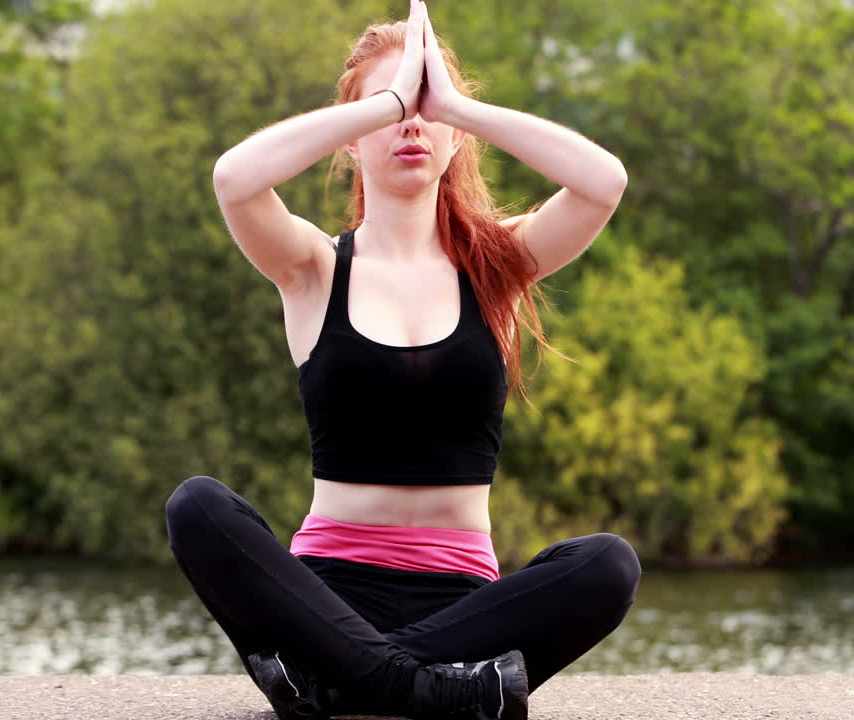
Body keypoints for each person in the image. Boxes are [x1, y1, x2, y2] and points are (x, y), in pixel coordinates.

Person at [163, 2, 639, 718]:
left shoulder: (497, 269)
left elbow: (603, 183)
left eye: (425, 109)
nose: (410, 123)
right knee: (196, 506)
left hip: (464, 608)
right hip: (322, 599)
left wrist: (454, 103)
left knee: (608, 565)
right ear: (351, 140)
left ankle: (343, 682)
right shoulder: (313, 269)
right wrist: (383, 101)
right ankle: (421, 690)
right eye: (388, 112)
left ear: (455, 139)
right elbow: (235, 178)